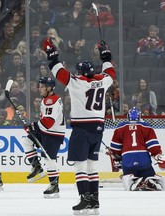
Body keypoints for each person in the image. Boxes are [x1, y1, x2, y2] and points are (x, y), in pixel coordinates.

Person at [43, 38, 115, 214]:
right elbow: (110, 74)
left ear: (81, 72)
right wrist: (105, 57)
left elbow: (59, 72)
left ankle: (84, 199)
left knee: (80, 166)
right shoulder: (103, 81)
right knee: (92, 166)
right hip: (98, 129)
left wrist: (51, 55)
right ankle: (94, 200)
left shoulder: (77, 83)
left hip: (82, 129)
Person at [21, 76, 65, 199]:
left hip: (54, 133)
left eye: (42, 86)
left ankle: (54, 185)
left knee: (49, 159)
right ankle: (37, 167)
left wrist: (33, 126)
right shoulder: (47, 99)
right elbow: (45, 123)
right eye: (39, 86)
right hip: (47, 131)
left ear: (50, 88)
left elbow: (48, 122)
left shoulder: (51, 101)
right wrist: (33, 127)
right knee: (26, 141)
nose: (39, 89)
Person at [109, 107, 165, 191]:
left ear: (128, 117)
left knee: (127, 173)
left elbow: (115, 148)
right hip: (143, 161)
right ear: (140, 117)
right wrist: (158, 156)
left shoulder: (120, 128)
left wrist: (117, 159)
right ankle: (151, 179)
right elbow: (153, 147)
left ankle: (130, 179)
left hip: (127, 161)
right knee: (148, 172)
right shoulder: (146, 126)